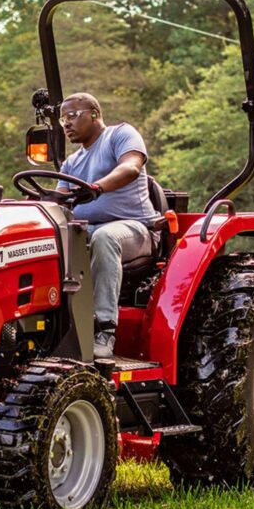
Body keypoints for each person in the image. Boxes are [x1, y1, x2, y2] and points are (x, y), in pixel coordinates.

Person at [56, 92, 160, 358]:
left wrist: (98, 187)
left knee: (104, 237)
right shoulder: (71, 163)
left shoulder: (120, 135)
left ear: (94, 114)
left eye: (71, 116)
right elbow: (59, 203)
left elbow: (131, 168)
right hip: (87, 231)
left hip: (135, 229)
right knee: (48, 240)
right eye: (62, 120)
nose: (66, 123)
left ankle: (104, 330)